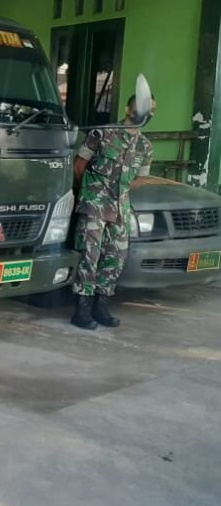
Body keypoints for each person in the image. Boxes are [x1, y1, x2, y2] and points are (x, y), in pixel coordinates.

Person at [71, 93, 155, 330]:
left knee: (115, 258)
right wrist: (92, 191)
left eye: (152, 109)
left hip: (120, 209)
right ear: (128, 109)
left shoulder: (145, 146)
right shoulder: (103, 133)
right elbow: (79, 166)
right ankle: (82, 310)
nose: (148, 112)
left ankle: (101, 307)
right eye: (143, 107)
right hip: (95, 205)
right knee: (89, 256)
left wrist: (122, 188)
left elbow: (141, 178)